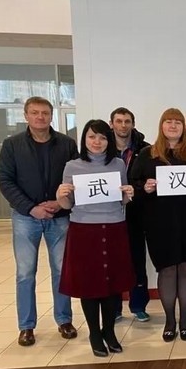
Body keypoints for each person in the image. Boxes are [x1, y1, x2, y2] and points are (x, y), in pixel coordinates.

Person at [0, 96, 79, 347]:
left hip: (59, 216)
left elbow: (76, 178)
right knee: (25, 273)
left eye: (45, 113)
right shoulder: (12, 145)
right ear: (26, 116)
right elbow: (5, 180)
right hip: (26, 217)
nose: (40, 117)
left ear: (51, 116)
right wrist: (31, 208)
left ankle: (64, 319)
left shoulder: (66, 144)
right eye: (35, 113)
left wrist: (60, 203)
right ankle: (26, 326)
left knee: (61, 271)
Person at [130, 108, 186, 342]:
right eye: (168, 122)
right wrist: (144, 188)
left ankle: (185, 319)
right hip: (159, 223)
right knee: (166, 270)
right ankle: (169, 320)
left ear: (183, 127)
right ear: (161, 126)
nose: (173, 126)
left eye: (177, 122)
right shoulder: (147, 155)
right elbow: (133, 187)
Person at [56, 120, 135, 356]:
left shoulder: (118, 164)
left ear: (109, 140)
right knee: (89, 284)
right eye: (92, 137)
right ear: (84, 139)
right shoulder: (72, 166)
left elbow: (121, 199)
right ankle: (94, 333)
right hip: (84, 230)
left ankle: (109, 331)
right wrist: (61, 196)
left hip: (114, 227)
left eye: (102, 137)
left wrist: (129, 193)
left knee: (112, 284)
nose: (97, 142)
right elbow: (67, 204)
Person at [109, 107, 151, 322]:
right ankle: (114, 308)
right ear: (111, 124)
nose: (123, 125)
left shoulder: (145, 149)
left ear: (133, 124)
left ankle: (138, 305)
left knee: (137, 260)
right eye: (119, 121)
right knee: (112, 261)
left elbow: (149, 179)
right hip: (108, 213)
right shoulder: (102, 148)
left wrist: (138, 189)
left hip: (137, 212)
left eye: (127, 121)